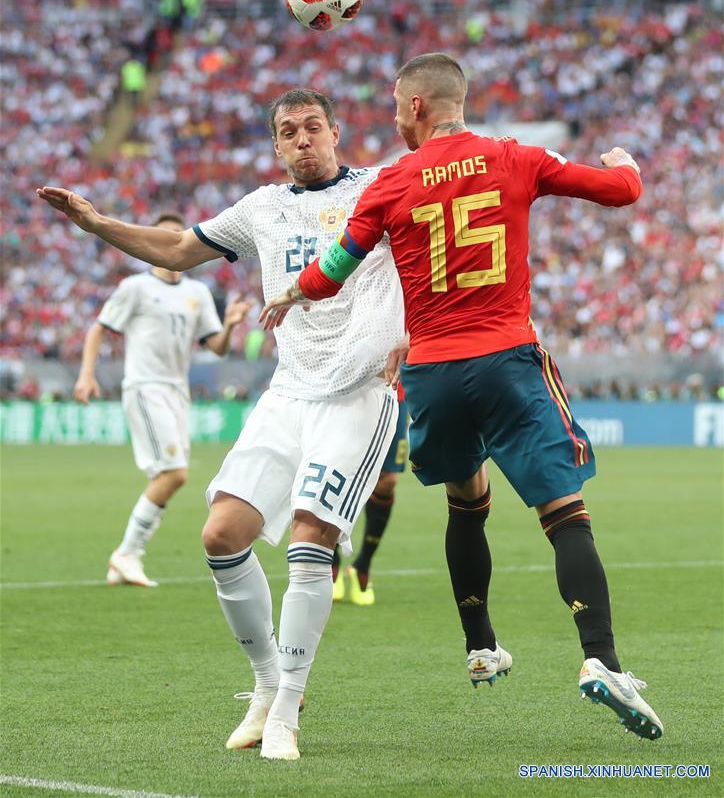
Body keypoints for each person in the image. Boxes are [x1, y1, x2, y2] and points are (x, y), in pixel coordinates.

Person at [260, 54, 664, 740]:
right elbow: (621, 190)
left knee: (466, 502)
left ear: (417, 107)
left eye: (395, 105)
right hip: (506, 358)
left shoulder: (390, 181)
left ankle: (480, 644)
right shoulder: (515, 157)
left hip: (434, 375)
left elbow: (334, 268)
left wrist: (293, 291)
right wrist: (624, 161)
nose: (392, 116)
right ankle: (601, 658)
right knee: (566, 514)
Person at [37, 87, 404, 761]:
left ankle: (289, 707)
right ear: (274, 144)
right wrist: (96, 222)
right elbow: (176, 248)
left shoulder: (383, 185)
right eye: (288, 130)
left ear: (335, 132)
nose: (302, 139)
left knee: (309, 536)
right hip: (288, 391)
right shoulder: (260, 208)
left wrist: (420, 330)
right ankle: (267, 682)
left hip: (358, 390)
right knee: (220, 533)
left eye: (313, 127)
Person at [73, 212, 250, 588]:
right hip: (145, 385)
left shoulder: (197, 293)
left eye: (176, 236)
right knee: (173, 474)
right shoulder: (135, 287)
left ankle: (124, 560)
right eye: (163, 237)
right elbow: (98, 329)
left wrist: (231, 323)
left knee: (168, 475)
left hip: (176, 391)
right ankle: (127, 554)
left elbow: (215, 347)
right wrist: (87, 374)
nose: (170, 243)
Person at [332, 385, 408, 606]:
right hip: (345, 390)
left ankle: (362, 565)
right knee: (339, 471)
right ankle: (331, 559)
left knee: (388, 480)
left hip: (393, 392)